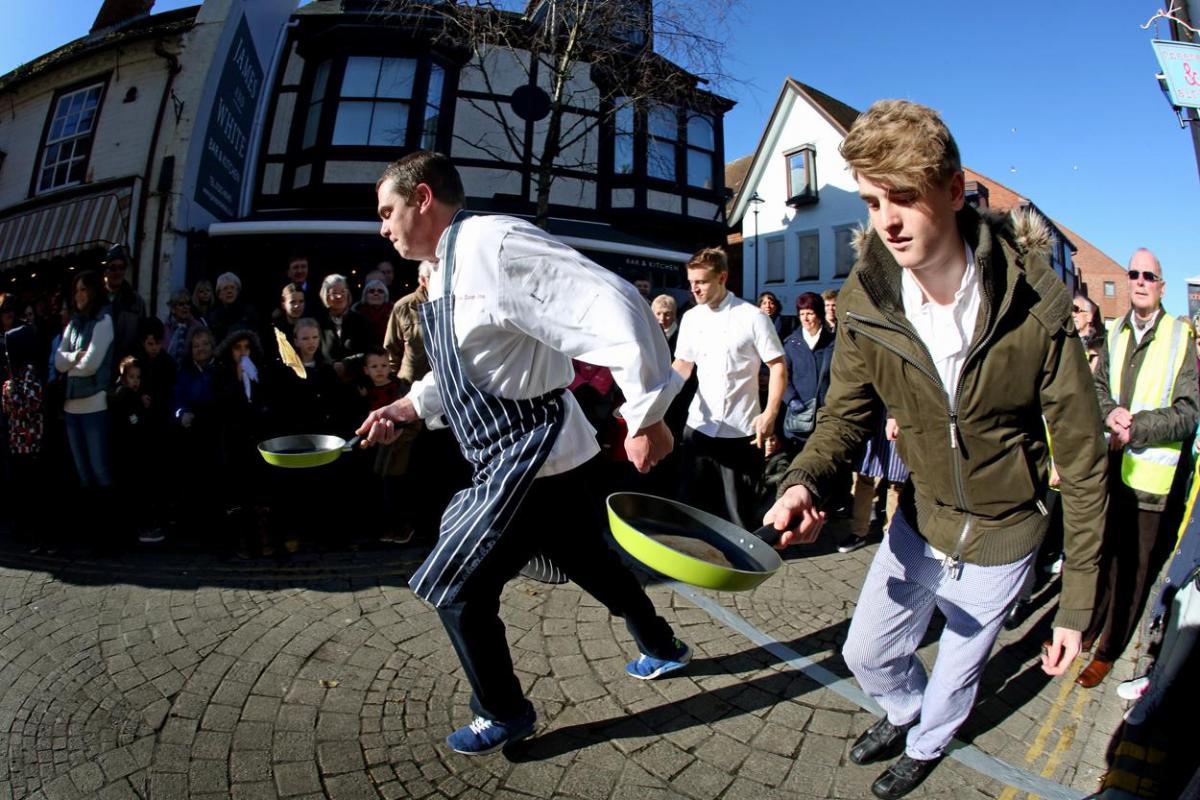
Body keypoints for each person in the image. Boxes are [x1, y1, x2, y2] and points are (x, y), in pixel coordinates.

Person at [761, 100, 1107, 800]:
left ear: (952, 192)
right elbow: (843, 416)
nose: (886, 220)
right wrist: (803, 483)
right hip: (923, 518)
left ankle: (925, 743)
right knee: (864, 651)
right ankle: (902, 710)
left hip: (1007, 534)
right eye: (871, 200)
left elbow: (1086, 460)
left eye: (904, 196)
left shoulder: (1035, 302)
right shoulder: (865, 298)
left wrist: (1076, 606)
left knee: (956, 674)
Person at [358, 151, 691, 756]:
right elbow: (469, 365)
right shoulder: (443, 268)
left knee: (456, 586)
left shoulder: (494, 244)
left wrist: (647, 414)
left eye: (388, 211)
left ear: (424, 198)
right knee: (589, 559)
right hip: (526, 456)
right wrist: (404, 408)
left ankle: (502, 711)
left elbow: (613, 301)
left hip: (529, 454)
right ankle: (662, 644)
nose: (382, 226)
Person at [1078, 248, 1199, 688]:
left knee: (1133, 569)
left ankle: (1108, 650)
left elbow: (1189, 411)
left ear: (1162, 286)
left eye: (1150, 275)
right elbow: (1096, 388)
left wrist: (1138, 428)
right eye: (1134, 273)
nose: (1141, 280)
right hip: (1111, 471)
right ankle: (1088, 629)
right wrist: (1110, 414)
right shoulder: (1113, 331)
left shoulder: (1177, 336)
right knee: (1101, 556)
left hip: (1151, 480)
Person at [672, 247, 786, 529]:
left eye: (701, 282)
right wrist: (651, 403)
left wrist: (770, 414)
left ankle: (738, 568)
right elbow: (682, 366)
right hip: (698, 427)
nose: (694, 288)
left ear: (722, 277)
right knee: (691, 505)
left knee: (737, 513)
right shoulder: (691, 318)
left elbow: (778, 366)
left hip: (741, 431)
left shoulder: (753, 317)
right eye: (691, 282)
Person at [56, 271, 116, 497]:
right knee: (83, 474)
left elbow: (91, 364)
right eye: (76, 290)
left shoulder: (104, 320)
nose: (79, 295)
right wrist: (74, 358)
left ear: (93, 291)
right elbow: (58, 361)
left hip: (94, 407)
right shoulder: (73, 323)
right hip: (70, 408)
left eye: (83, 289)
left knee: (100, 471)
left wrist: (70, 363)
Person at [102, 244, 149, 371]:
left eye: (121, 267)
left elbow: (142, 337)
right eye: (113, 268)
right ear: (106, 271)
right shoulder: (96, 299)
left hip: (124, 368)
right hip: (99, 367)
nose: (118, 272)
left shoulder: (136, 301)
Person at [317, 274, 373, 380]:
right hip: (326, 378)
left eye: (343, 291)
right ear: (326, 296)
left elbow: (369, 351)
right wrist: (332, 364)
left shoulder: (361, 320)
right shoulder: (319, 322)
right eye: (334, 293)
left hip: (356, 379)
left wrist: (347, 363)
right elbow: (315, 352)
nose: (339, 296)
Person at [207, 273, 257, 345]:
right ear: (219, 295)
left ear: (237, 292)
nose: (229, 291)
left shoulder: (249, 312)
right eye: (225, 288)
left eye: (232, 288)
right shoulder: (213, 317)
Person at [164, 290, 204, 367]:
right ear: (173, 308)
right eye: (181, 304)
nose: (185, 307)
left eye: (188, 304)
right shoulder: (165, 328)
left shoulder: (198, 326)